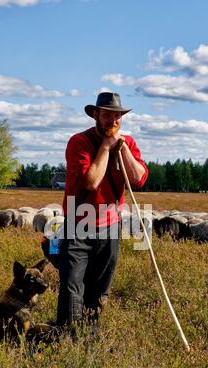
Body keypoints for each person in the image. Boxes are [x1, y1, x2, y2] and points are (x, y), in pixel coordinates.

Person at [56, 92, 148, 334]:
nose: (113, 121)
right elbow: (90, 182)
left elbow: (138, 179)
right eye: (107, 115)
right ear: (95, 114)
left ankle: (90, 341)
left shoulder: (127, 143)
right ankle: (67, 342)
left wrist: (123, 149)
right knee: (72, 289)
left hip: (109, 227)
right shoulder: (80, 142)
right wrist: (107, 147)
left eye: (117, 116)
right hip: (78, 225)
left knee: (99, 291)